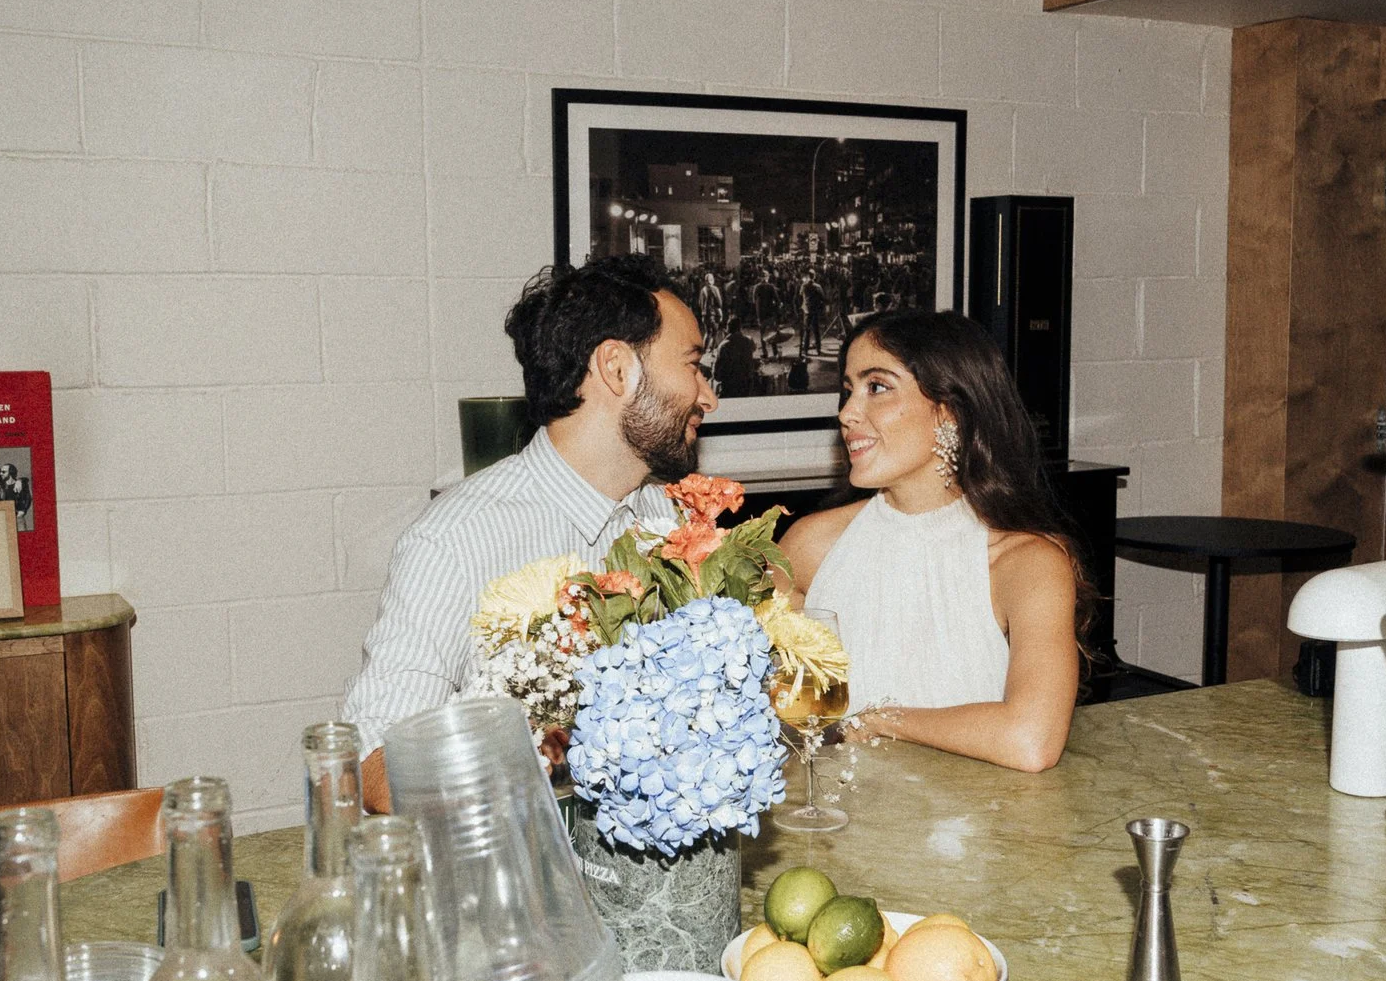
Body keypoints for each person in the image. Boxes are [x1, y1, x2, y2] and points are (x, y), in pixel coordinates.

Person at [342, 254, 718, 805]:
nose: (708, 396)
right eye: (692, 365)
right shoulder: (457, 539)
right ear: (616, 368)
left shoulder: (670, 519)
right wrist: (530, 745)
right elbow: (374, 765)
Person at [776, 311, 1081, 773]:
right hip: (837, 825)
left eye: (876, 387)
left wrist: (882, 720)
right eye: (848, 390)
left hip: (978, 831)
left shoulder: (1025, 563)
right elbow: (755, 705)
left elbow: (1031, 740)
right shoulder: (811, 545)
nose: (847, 413)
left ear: (949, 411)